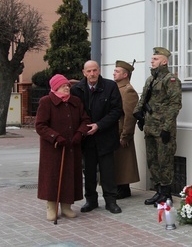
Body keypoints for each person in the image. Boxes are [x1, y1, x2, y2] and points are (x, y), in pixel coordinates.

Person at [71, 60, 123, 214]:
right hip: (86, 138)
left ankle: (110, 201)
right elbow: (74, 113)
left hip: (105, 135)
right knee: (89, 171)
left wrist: (99, 125)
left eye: (95, 70)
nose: (92, 74)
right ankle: (91, 201)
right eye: (89, 71)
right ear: (83, 72)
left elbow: (116, 111)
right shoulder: (77, 89)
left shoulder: (110, 86)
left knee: (108, 172)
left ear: (99, 70)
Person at [35, 74, 91, 221]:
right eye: (63, 85)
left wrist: (80, 133)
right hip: (53, 149)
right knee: (52, 177)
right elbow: (40, 125)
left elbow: (85, 120)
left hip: (72, 147)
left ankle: (66, 206)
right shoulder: (46, 102)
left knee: (70, 176)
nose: (67, 88)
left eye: (68, 85)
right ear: (55, 87)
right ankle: (51, 207)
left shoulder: (75, 101)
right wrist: (55, 137)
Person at [133, 47, 182, 207]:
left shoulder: (170, 80)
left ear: (164, 61)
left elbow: (175, 105)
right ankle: (159, 191)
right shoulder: (151, 80)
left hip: (162, 129)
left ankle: (167, 194)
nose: (151, 61)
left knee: (164, 161)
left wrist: (167, 128)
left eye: (155, 59)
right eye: (152, 58)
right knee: (152, 160)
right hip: (150, 127)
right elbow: (143, 98)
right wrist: (138, 114)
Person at [113, 60, 140, 199]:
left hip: (121, 132)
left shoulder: (127, 91)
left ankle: (123, 188)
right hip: (114, 131)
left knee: (124, 162)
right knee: (118, 162)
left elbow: (130, 116)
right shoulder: (117, 88)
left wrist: (126, 135)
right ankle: (119, 187)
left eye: (117, 71)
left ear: (125, 75)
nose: (114, 73)